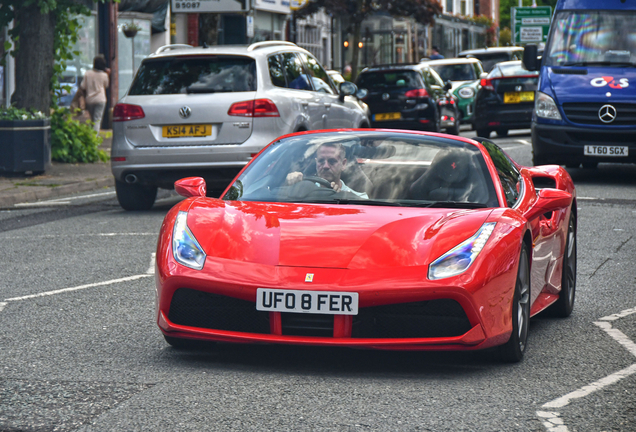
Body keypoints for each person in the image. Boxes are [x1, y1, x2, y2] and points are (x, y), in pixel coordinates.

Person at [286, 142, 368, 198]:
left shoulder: (359, 199)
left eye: (332, 161)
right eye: (321, 161)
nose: (325, 166)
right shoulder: (302, 191)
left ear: (343, 164)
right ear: (316, 162)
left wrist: (340, 197)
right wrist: (290, 185)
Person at [81, 54, 110, 132]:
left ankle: (91, 137)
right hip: (101, 99)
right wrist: (107, 74)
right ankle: (95, 139)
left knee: (92, 119)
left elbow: (83, 86)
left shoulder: (87, 73)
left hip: (90, 99)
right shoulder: (104, 75)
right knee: (97, 119)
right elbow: (106, 85)